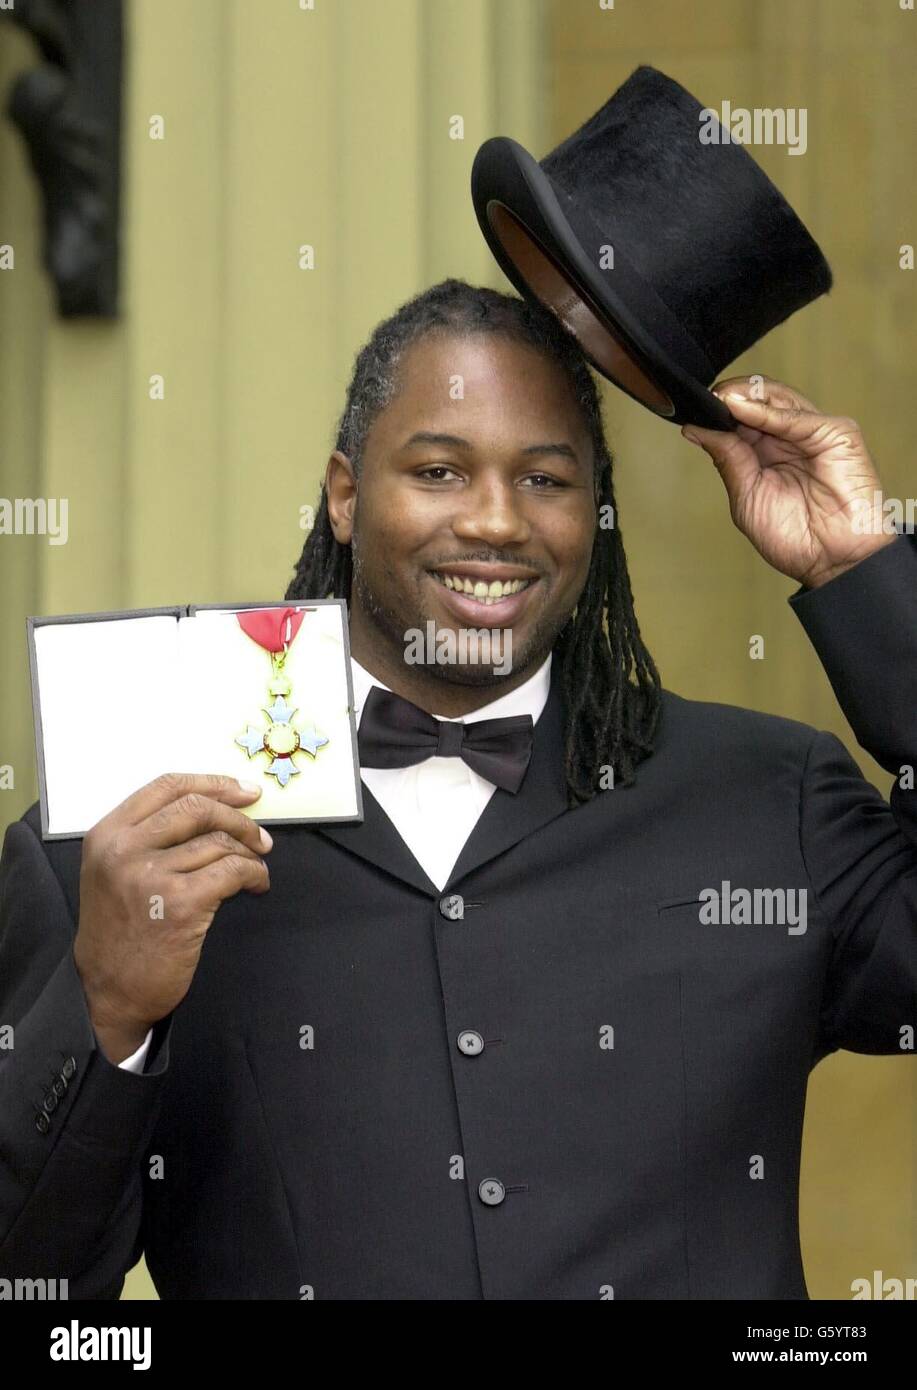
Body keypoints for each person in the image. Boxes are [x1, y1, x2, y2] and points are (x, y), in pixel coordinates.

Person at [0, 279, 913, 1300]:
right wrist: (108, 1011)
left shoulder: (767, 798)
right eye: (438, 470)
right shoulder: (118, 843)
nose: (494, 520)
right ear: (344, 496)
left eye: (545, 480)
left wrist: (864, 569)